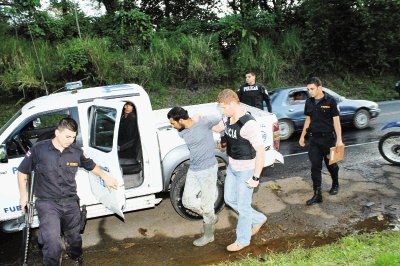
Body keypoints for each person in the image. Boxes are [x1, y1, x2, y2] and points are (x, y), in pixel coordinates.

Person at [18, 117, 118, 266]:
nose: (71, 140)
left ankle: (75, 255)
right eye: (67, 136)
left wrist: (105, 176)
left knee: (74, 238)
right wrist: (23, 195)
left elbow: (91, 166)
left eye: (73, 136)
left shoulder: (76, 151)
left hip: (70, 202)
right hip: (47, 203)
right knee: (52, 243)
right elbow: (22, 172)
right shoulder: (39, 149)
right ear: (57, 132)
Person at [212, 89, 267, 252]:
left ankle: (243, 240)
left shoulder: (249, 124)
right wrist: (196, 123)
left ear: (233, 104)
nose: (222, 110)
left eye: (223, 107)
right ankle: (258, 218)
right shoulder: (228, 117)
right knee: (229, 199)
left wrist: (256, 178)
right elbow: (218, 128)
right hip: (233, 167)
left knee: (243, 207)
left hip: (247, 170)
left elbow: (261, 151)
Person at [167, 107, 220, 247]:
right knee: (187, 201)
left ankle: (209, 235)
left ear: (181, 120)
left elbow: (219, 116)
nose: (173, 126)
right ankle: (211, 218)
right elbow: (186, 127)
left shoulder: (204, 122)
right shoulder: (182, 132)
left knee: (207, 205)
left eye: (173, 123)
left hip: (208, 169)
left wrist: (201, 115)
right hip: (194, 169)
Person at [299, 77, 344, 206]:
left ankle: (335, 183)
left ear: (320, 87)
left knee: (332, 165)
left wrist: (339, 140)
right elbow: (308, 120)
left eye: (312, 89)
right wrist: (302, 136)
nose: (310, 92)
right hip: (314, 140)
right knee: (315, 167)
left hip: (328, 139)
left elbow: (336, 122)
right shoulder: (309, 102)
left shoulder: (330, 101)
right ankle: (317, 194)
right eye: (308, 89)